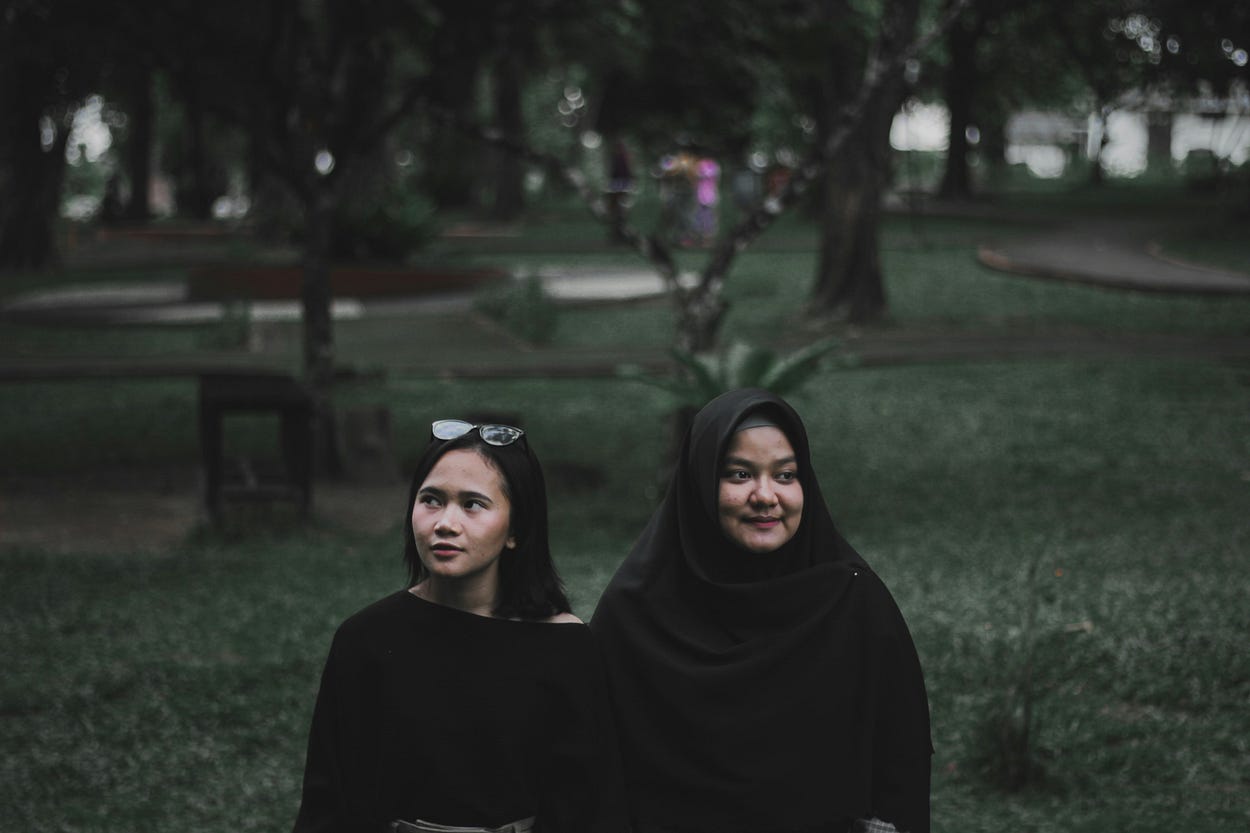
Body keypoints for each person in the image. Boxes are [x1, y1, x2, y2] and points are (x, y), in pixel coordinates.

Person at [590, 389, 932, 833]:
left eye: (786, 475)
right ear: (699, 482)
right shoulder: (635, 612)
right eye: (739, 474)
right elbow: (594, 773)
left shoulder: (851, 601)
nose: (766, 495)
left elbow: (901, 764)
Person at [293, 419, 627, 833]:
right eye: (431, 500)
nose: (445, 523)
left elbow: (591, 805)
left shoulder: (564, 647)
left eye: (472, 504)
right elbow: (329, 805)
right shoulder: (366, 640)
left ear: (516, 529)